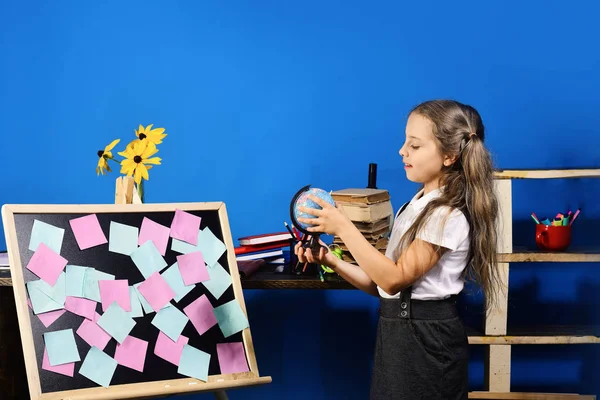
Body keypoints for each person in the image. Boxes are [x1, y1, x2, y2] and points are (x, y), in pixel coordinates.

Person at [295, 99, 502, 400]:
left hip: (427, 340)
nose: (402, 151)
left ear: (449, 155)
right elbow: (381, 284)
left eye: (415, 146)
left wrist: (343, 228)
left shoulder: (447, 215)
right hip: (397, 334)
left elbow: (394, 278)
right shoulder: (414, 206)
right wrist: (330, 260)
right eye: (405, 142)